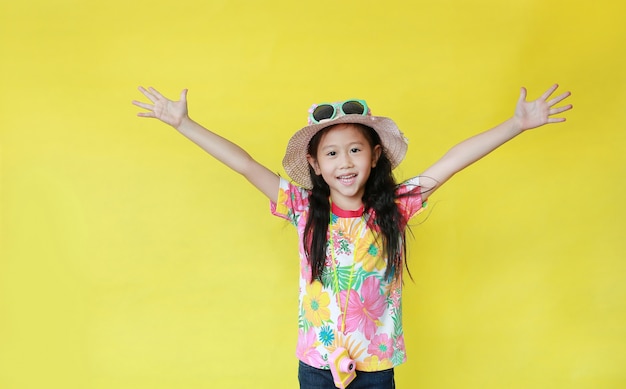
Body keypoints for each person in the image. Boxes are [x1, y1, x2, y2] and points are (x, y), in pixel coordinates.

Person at [132, 85, 572, 389]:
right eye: (332, 153)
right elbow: (246, 165)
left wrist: (516, 125)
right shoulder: (303, 209)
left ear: (375, 156)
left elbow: (452, 161)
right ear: (316, 164)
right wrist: (182, 124)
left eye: (356, 149)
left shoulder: (396, 205)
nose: (345, 162)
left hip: (377, 366)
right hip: (317, 366)